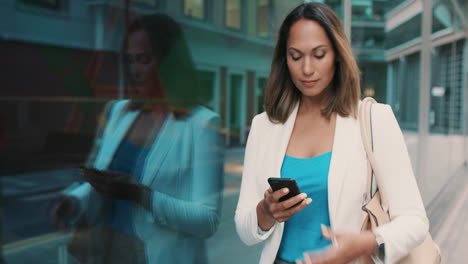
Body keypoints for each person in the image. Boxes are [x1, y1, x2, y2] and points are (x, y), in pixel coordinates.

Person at [234, 3, 428, 264]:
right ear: (284, 59)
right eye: (295, 56)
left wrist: (365, 243)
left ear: (337, 54)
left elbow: (415, 220)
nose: (306, 69)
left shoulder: (374, 120)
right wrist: (265, 211)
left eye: (319, 54)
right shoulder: (264, 126)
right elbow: (244, 230)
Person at [52, 14, 223, 264]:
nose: (134, 70)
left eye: (143, 59)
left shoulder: (202, 124)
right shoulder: (120, 112)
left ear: (169, 62)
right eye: (130, 60)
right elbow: (106, 181)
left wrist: (141, 195)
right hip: (105, 251)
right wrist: (75, 201)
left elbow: (207, 221)